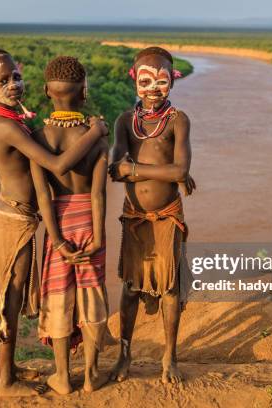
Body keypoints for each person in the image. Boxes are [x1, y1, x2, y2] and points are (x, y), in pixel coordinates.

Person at [0, 48, 108, 397]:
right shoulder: (5, 126)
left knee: (17, 296)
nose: (13, 84)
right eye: (2, 81)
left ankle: (10, 367)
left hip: (23, 219)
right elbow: (58, 166)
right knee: (10, 298)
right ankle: (4, 381)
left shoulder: (20, 122)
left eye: (16, 76)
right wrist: (95, 133)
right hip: (12, 220)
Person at [108, 46, 195, 384]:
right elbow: (116, 170)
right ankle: (124, 356)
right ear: (134, 80)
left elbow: (181, 169)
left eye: (162, 81)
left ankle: (169, 357)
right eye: (146, 81)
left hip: (167, 216)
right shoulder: (124, 122)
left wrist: (136, 169)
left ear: (173, 81)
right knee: (130, 288)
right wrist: (163, 171)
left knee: (170, 289)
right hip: (135, 217)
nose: (153, 89)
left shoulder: (178, 120)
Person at [30, 56, 110, 394]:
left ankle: (62, 376)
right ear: (84, 92)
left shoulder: (38, 137)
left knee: (59, 296)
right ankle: (91, 375)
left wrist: (58, 241)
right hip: (89, 224)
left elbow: (43, 197)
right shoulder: (98, 136)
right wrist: (98, 237)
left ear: (47, 90)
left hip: (58, 225)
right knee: (92, 297)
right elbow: (98, 195)